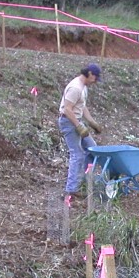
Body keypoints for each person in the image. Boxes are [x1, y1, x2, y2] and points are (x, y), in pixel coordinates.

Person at [58, 64, 104, 197]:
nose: (95, 81)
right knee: (77, 154)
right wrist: (78, 126)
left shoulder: (83, 88)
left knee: (92, 148)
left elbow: (82, 107)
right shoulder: (75, 87)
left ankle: (84, 179)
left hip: (76, 120)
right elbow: (67, 109)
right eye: (95, 78)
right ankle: (71, 189)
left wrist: (92, 122)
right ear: (89, 74)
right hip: (68, 121)